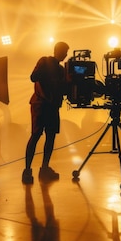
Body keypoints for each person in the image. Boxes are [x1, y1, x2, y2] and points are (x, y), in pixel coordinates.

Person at [23, 42, 70, 184]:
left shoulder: (61, 70)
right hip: (41, 104)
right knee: (36, 135)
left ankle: (43, 168)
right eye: (64, 51)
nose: (65, 55)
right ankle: (28, 170)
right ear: (58, 51)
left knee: (50, 137)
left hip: (51, 106)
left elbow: (64, 89)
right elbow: (33, 77)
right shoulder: (45, 61)